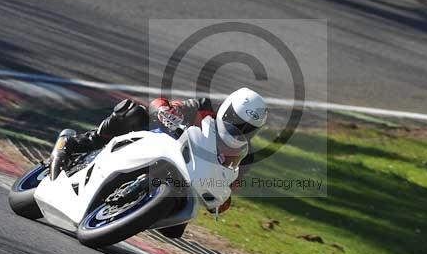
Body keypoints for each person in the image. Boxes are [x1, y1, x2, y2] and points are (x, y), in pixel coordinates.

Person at [50, 88, 268, 216]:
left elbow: (228, 191)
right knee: (134, 113)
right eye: (237, 122)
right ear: (226, 111)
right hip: (155, 145)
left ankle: (132, 214)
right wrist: (166, 113)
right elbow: (160, 104)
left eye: (248, 129)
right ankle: (73, 143)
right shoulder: (203, 108)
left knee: (175, 229)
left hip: (183, 183)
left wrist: (220, 200)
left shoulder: (243, 156)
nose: (240, 130)